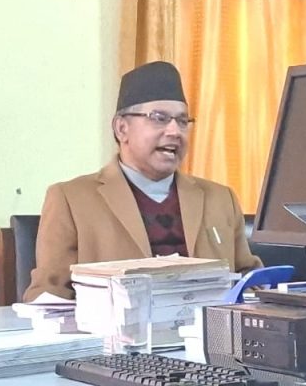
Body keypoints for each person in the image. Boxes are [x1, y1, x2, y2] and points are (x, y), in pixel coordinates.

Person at [23, 61, 262, 301]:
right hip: (115, 326)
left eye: (182, 121)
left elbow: (250, 280)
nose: (174, 131)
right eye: (159, 118)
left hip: (207, 325)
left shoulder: (220, 198)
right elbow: (47, 296)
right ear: (122, 128)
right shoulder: (72, 200)